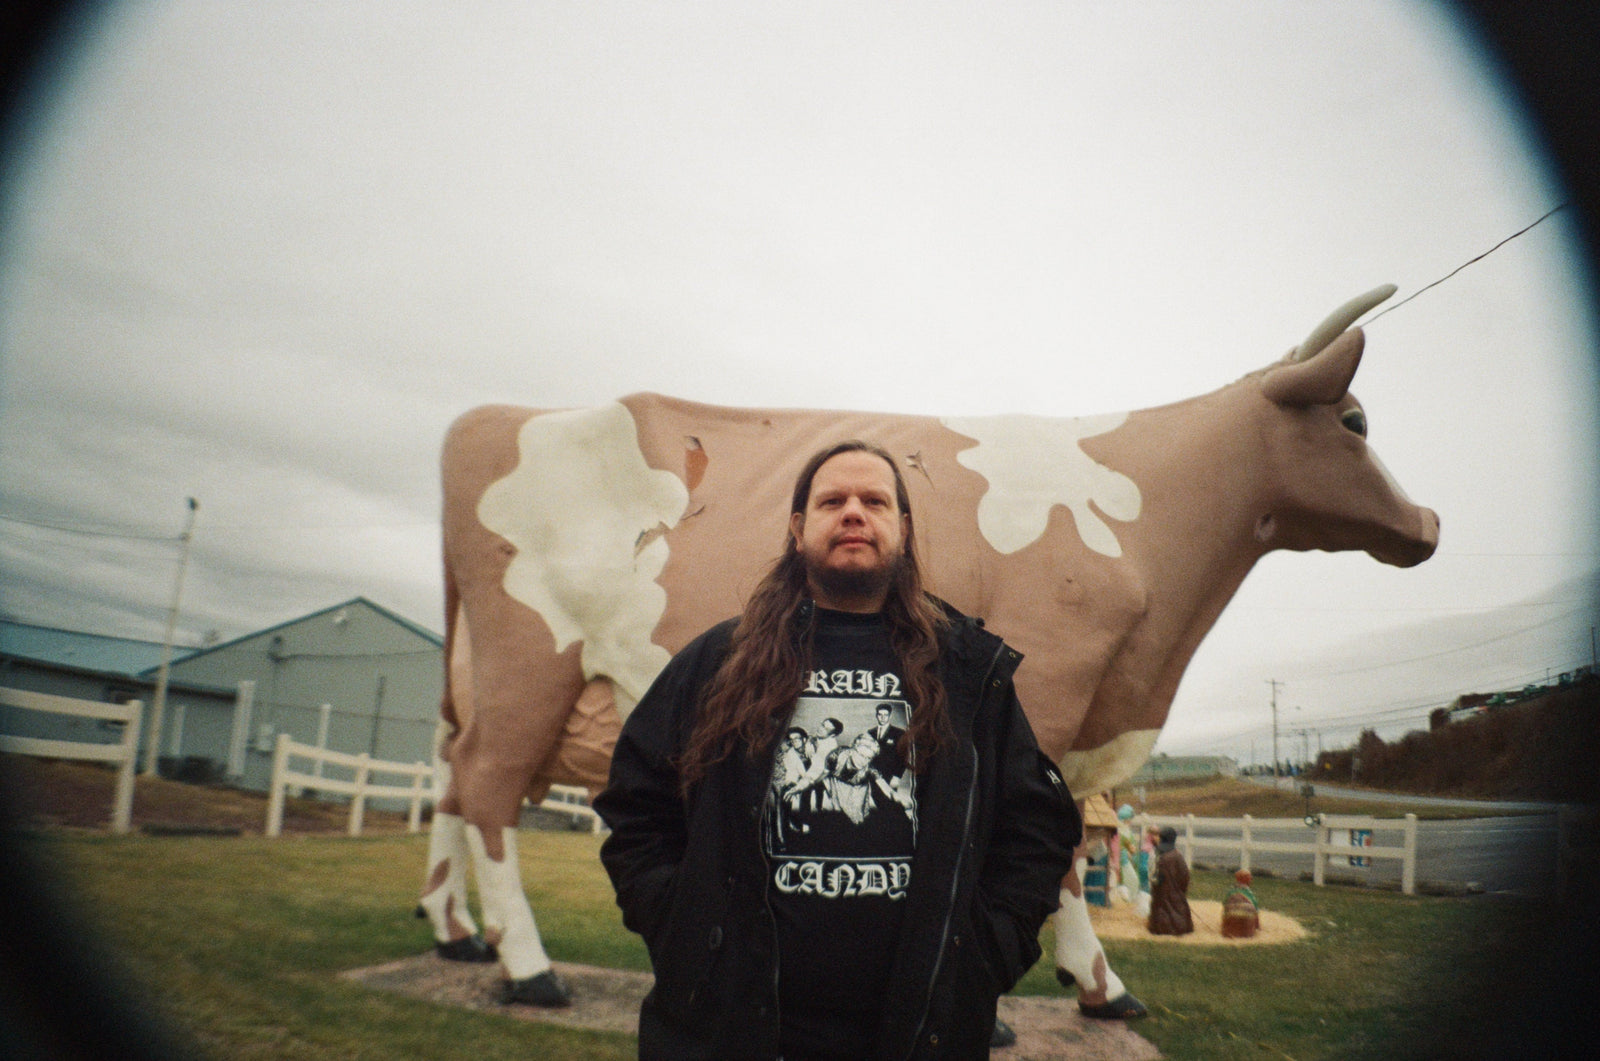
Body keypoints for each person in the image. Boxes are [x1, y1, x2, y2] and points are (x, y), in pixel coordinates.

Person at [594, 439, 1080, 1061]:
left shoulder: (966, 671)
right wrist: (686, 934)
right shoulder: (720, 661)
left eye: (874, 500)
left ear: (902, 530)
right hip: (732, 1034)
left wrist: (982, 955)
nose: (854, 512)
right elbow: (638, 807)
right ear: (799, 530)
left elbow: (1034, 831)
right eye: (832, 501)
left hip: (918, 1034)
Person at [1146, 826, 1193, 937]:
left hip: (1160, 892)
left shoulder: (1156, 853)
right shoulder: (1178, 855)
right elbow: (1185, 875)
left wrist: (1156, 884)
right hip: (1176, 893)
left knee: (1160, 909)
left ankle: (1159, 927)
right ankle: (1179, 927)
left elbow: (1151, 873)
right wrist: (1181, 890)